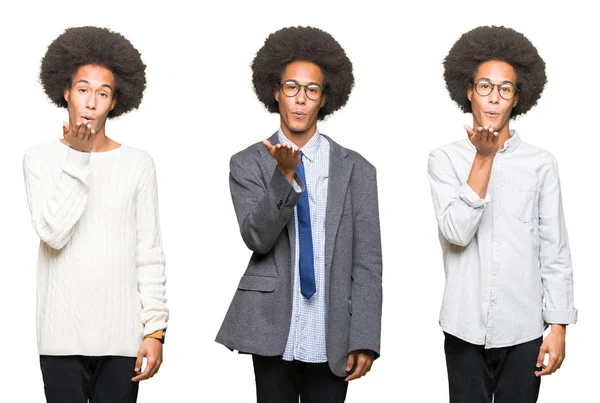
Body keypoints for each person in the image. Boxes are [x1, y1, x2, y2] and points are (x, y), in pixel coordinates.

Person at [216, 26, 382, 403]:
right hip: (273, 324)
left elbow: (368, 262)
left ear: (325, 98)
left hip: (332, 327)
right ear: (275, 92)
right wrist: (284, 176)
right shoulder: (247, 163)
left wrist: (365, 337)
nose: (301, 99)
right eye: (292, 87)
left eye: (311, 90)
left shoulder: (357, 169)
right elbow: (257, 238)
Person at [427, 25, 577, 402]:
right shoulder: (444, 159)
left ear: (516, 97)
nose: (494, 98)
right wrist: (483, 158)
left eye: (504, 89)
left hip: (524, 329)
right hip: (463, 327)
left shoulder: (541, 164)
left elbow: (554, 249)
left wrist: (558, 325)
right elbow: (457, 233)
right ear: (468, 90)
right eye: (485, 87)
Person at [23, 26, 168, 403]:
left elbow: (149, 253)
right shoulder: (40, 159)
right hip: (61, 340)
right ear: (66, 92)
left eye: (102, 93)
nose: (91, 102)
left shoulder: (138, 164)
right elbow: (53, 233)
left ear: (115, 101)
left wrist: (155, 333)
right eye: (83, 90)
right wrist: (77, 156)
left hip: (121, 339)